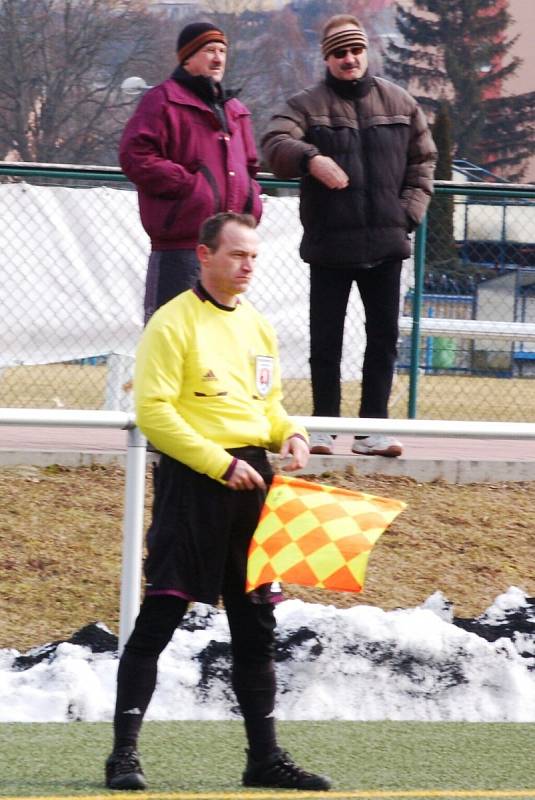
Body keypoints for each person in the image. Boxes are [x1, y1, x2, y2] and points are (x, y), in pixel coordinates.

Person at [105, 212, 332, 793]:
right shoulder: (171, 323)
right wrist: (218, 462)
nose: (248, 265)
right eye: (237, 255)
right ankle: (123, 757)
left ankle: (264, 760)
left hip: (253, 483)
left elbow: (270, 404)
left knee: (256, 626)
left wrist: (292, 433)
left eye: (254, 255)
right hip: (196, 483)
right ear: (203, 256)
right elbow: (154, 412)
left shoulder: (258, 325)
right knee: (160, 616)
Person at [262, 14, 437, 457]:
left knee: (382, 341)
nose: (349, 59)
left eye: (355, 50)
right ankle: (322, 428)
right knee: (326, 343)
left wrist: (406, 216)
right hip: (330, 246)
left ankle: (371, 432)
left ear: (366, 52)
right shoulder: (305, 104)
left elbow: (423, 161)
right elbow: (273, 143)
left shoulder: (400, 102)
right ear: (327, 58)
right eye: (339, 53)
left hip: (385, 244)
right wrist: (309, 159)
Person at [119, 21, 262, 322]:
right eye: (210, 50)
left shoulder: (235, 110)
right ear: (188, 57)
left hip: (226, 251)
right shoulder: (161, 101)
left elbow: (250, 166)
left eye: (223, 51)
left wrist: (252, 199)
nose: (218, 58)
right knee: (171, 335)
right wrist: (189, 187)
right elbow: (135, 154)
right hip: (180, 247)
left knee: (220, 342)